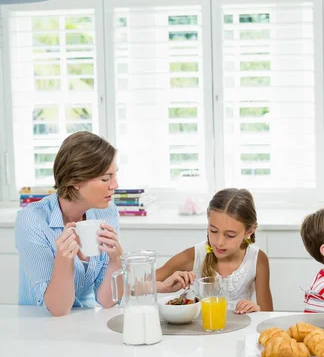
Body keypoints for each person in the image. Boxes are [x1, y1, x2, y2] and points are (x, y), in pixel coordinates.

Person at [15, 132, 194, 316]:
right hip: (37, 325)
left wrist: (115, 259)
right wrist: (64, 260)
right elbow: (58, 309)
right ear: (76, 180)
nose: (115, 185)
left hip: (83, 320)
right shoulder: (32, 221)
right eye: (105, 178)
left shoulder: (107, 212)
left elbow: (108, 301)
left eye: (114, 175)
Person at [156, 188, 274, 314]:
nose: (219, 242)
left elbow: (268, 315)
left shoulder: (257, 259)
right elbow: (135, 286)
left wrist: (257, 310)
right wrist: (163, 287)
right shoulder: (194, 256)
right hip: (201, 332)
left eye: (230, 235)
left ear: (249, 231)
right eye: (213, 231)